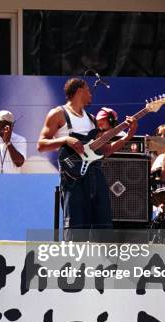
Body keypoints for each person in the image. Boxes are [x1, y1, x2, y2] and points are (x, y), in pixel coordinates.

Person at [37, 78, 137, 240]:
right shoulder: (58, 113)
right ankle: (73, 263)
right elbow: (41, 144)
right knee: (76, 225)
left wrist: (128, 136)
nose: (91, 94)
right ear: (79, 91)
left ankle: (102, 263)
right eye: (88, 90)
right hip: (72, 177)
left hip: (95, 174)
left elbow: (105, 150)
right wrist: (65, 140)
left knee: (102, 222)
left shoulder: (91, 119)